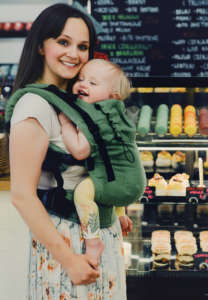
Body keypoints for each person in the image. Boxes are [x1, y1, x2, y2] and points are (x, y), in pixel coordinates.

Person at [7, 3, 128, 299]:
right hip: (68, 243)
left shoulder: (74, 98)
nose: (74, 54)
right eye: (63, 42)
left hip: (96, 235)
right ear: (40, 46)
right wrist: (70, 260)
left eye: (82, 46)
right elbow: (22, 196)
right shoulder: (34, 105)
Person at [58, 58, 135, 267]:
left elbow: (80, 150)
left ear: (113, 96)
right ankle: (119, 215)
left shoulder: (94, 115)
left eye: (93, 83)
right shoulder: (115, 113)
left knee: (82, 194)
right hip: (125, 177)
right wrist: (119, 211)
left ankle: (93, 242)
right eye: (81, 79)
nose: (83, 84)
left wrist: (65, 124)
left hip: (120, 179)